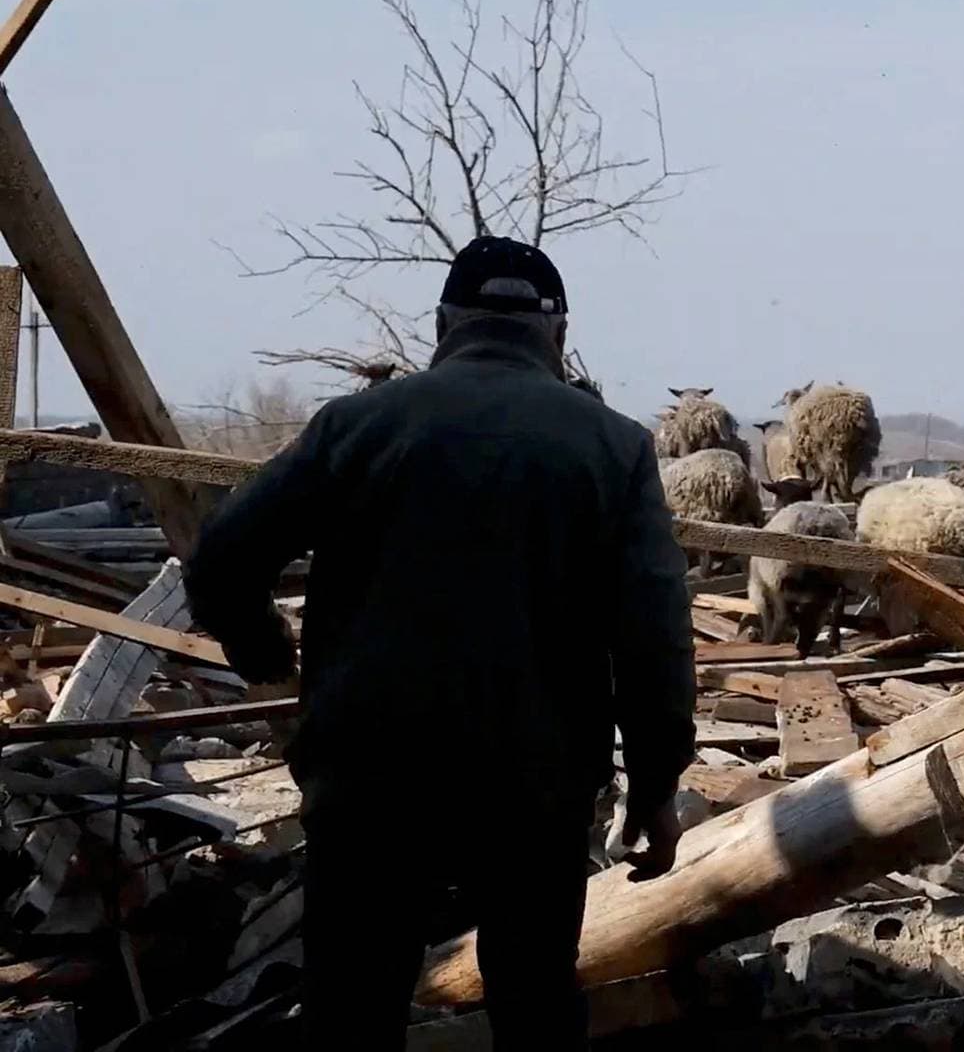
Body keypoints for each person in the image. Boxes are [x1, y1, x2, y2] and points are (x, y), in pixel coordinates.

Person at [184, 236, 694, 1050]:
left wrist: (266, 657)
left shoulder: (356, 425)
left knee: (352, 1007)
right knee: (533, 1005)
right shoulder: (612, 445)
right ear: (558, 334)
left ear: (443, 324)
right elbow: (653, 633)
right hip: (536, 781)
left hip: (369, 775)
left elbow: (219, 562)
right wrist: (657, 784)